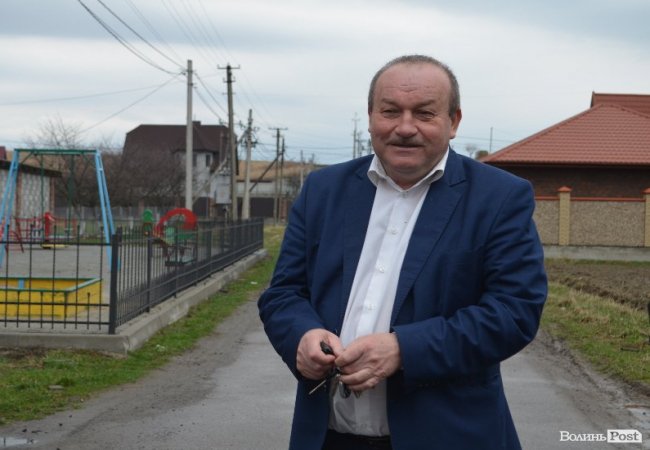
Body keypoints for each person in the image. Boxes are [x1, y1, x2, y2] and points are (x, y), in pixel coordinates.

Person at [258, 54, 547, 450]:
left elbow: (514, 311)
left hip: (449, 437)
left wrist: (403, 350)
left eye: (424, 113)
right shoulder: (323, 190)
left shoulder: (499, 198)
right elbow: (284, 293)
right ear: (371, 116)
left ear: (454, 122)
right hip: (326, 437)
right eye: (390, 111)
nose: (405, 128)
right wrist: (301, 336)